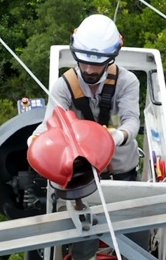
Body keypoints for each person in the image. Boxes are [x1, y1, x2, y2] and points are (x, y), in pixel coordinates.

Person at [29, 14, 141, 180]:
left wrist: (119, 136)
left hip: (122, 171)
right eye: (83, 62)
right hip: (82, 173)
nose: (88, 70)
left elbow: (131, 120)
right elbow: (50, 123)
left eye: (96, 65)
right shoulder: (64, 86)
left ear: (109, 59)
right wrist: (35, 141)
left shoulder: (127, 82)